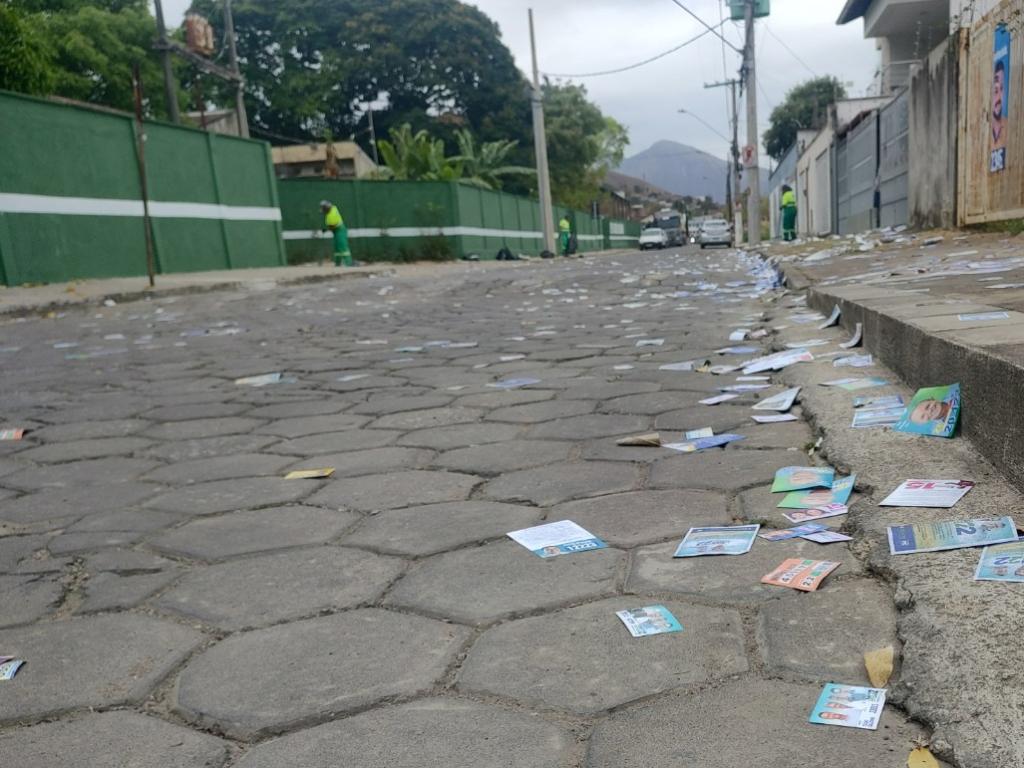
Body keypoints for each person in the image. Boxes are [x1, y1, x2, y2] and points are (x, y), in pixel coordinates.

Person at [320, 200, 353, 267]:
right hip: (336, 231)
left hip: (340, 230)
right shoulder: (333, 208)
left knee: (343, 247)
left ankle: (348, 263)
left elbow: (332, 227)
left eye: (323, 208)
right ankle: (338, 263)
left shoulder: (332, 215)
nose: (323, 210)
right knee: (337, 248)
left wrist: (326, 230)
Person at [992, 60, 1007, 151]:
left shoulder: (1008, 126)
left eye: (1001, 89)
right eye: (996, 90)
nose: (999, 97)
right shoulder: (984, 132)